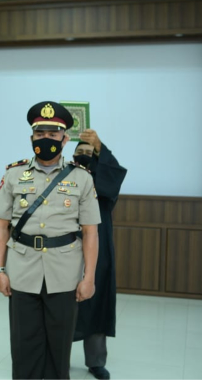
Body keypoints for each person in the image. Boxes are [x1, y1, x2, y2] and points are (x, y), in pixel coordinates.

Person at [0, 101, 101, 380]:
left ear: (65, 139)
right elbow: (1, 227)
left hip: (64, 270)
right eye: (40, 134)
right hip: (21, 268)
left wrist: (89, 277)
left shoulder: (81, 177)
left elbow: (90, 232)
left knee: (59, 343)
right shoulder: (13, 174)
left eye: (53, 134)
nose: (46, 140)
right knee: (23, 342)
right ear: (32, 138)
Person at [72, 129, 127, 380]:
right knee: (61, 304)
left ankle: (95, 361)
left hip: (98, 246)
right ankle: (57, 355)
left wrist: (100, 146)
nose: (83, 156)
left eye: (88, 152)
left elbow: (114, 175)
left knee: (96, 300)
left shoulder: (101, 180)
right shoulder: (65, 176)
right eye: (79, 152)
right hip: (66, 248)